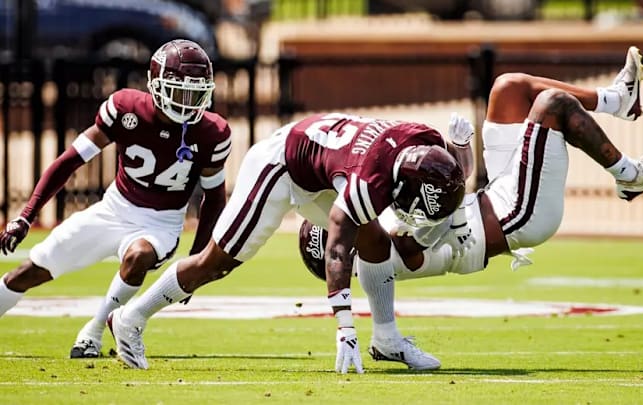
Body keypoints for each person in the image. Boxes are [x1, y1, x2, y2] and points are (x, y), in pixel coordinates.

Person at [298, 46, 643, 370]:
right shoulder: (375, 256)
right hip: (515, 216)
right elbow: (425, 238)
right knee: (552, 105)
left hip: (490, 195)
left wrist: (458, 153)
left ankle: (617, 100)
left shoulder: (369, 223)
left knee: (508, 88)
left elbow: (445, 193)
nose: (340, 219)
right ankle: (629, 174)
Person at [105, 110, 474, 371]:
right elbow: (338, 247)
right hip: (282, 166)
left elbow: (448, 174)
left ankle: (387, 341)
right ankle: (130, 318)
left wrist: (460, 152)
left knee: (375, 238)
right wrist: (345, 327)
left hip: (327, 167)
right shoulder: (371, 180)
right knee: (216, 262)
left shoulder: (425, 145)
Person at [0, 39, 231, 359]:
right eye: (179, 91)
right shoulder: (125, 109)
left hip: (161, 223)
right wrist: (26, 214)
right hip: (113, 209)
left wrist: (194, 262)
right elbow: (70, 160)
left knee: (138, 256)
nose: (187, 102)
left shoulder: (212, 132)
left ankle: (92, 333)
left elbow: (214, 198)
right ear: (156, 85)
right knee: (28, 272)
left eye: (195, 93)